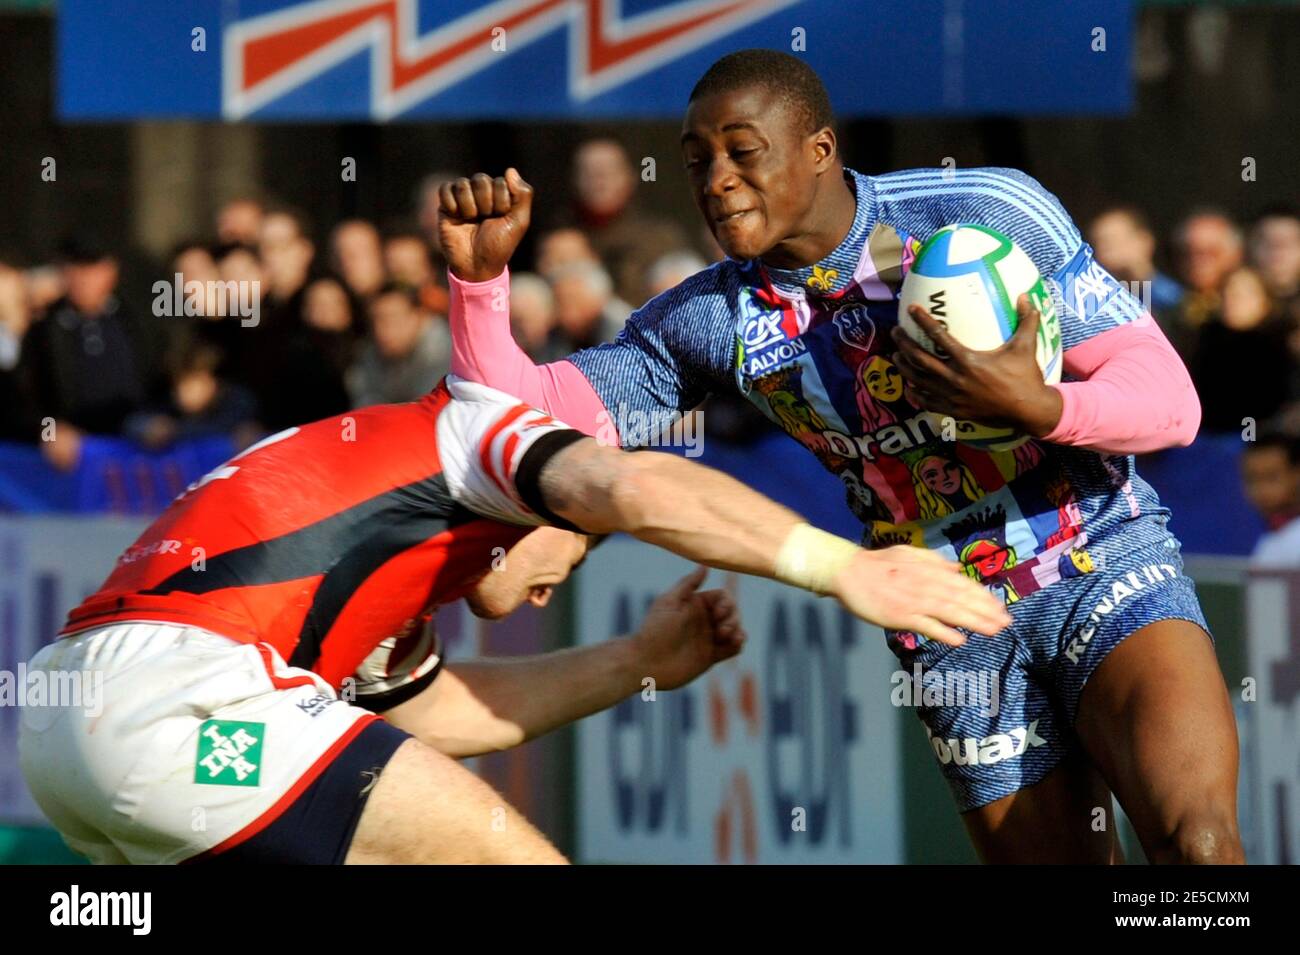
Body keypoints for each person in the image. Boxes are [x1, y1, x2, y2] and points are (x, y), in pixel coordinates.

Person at [437, 49, 1242, 864]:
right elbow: (520, 415)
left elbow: (1171, 403)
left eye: (741, 151)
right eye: (695, 161)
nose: (715, 179)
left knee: (1198, 843)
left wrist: (1043, 407)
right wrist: (479, 286)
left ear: (818, 149)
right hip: (946, 619)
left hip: (1100, 555)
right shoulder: (708, 320)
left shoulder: (980, 209)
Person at [19, 375, 1006, 865]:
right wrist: (841, 567)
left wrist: (634, 661)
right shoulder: (471, 439)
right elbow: (628, 484)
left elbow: (431, 718)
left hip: (72, 730)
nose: (555, 583)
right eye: (577, 545)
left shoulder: (389, 557)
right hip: (180, 699)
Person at [346, 282, 451, 406]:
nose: (381, 329)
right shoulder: (370, 352)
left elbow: (425, 410)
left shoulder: (442, 354)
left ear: (419, 316)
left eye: (392, 318)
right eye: (376, 320)